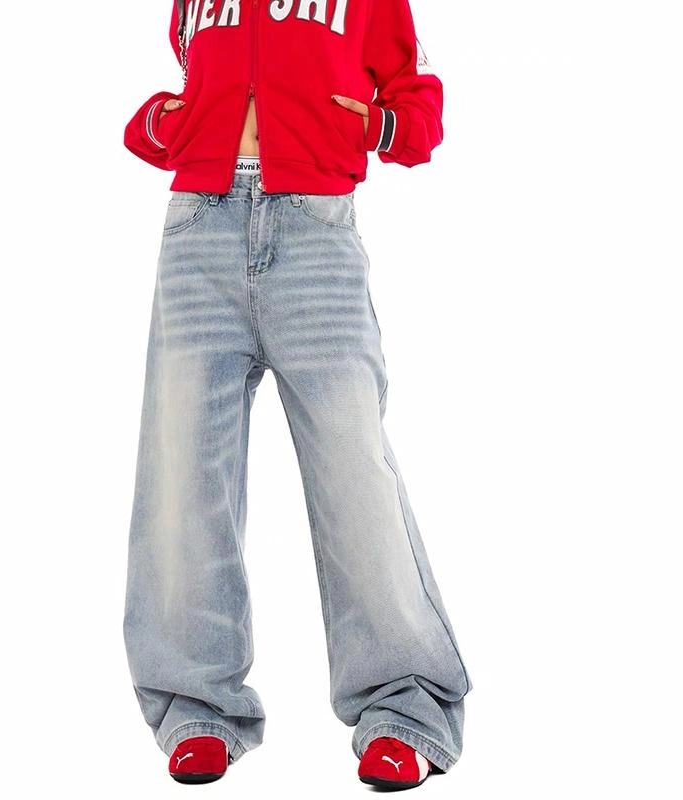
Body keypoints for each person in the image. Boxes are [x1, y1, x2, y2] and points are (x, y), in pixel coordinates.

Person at [122, 0, 473, 789]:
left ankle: (406, 709)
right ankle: (195, 709)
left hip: (315, 233)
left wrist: (378, 126)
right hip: (197, 229)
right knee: (182, 480)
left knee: (355, 475)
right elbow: (191, 84)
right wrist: (160, 123)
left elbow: (416, 103)